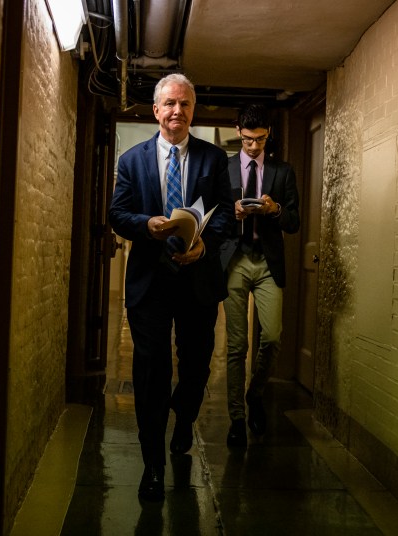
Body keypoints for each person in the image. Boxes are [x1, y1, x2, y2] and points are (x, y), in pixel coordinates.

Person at [109, 73, 233, 501]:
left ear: (192, 111)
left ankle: (184, 416)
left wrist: (203, 245)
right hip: (150, 281)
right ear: (156, 110)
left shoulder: (213, 159)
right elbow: (117, 214)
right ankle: (153, 466)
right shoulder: (131, 161)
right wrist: (147, 224)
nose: (177, 111)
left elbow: (224, 217)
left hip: (197, 278)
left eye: (185, 104)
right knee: (150, 372)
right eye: (170, 104)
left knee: (197, 366)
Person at [219, 104, 300, 447]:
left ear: (269, 134)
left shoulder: (282, 172)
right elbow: (209, 217)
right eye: (249, 139)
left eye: (261, 139)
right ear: (238, 131)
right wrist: (231, 211)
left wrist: (275, 209)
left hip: (268, 263)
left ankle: (255, 395)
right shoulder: (222, 169)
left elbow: (294, 222)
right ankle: (237, 417)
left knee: (272, 337)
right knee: (237, 346)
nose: (254, 146)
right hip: (235, 260)